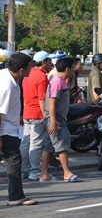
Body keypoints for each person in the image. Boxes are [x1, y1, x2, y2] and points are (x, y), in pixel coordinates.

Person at [0, 52, 38, 205]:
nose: (32, 69)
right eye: (30, 67)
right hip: (5, 130)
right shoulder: (7, 86)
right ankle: (15, 196)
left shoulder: (6, 75)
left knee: (13, 161)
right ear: (22, 70)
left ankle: (16, 195)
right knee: (14, 161)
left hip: (10, 127)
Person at [40, 57, 82, 182]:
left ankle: (44, 174)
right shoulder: (58, 82)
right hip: (56, 118)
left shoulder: (58, 81)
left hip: (53, 117)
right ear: (67, 68)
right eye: (73, 67)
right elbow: (52, 103)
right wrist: (53, 122)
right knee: (62, 145)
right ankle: (67, 173)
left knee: (48, 146)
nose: (74, 70)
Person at [20, 51, 57, 182]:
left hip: (27, 112)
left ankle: (24, 170)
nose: (51, 63)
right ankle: (34, 172)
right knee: (35, 144)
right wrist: (45, 116)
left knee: (25, 143)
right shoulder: (42, 77)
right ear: (43, 62)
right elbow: (42, 99)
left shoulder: (27, 74)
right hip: (37, 114)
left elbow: (24, 96)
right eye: (49, 61)